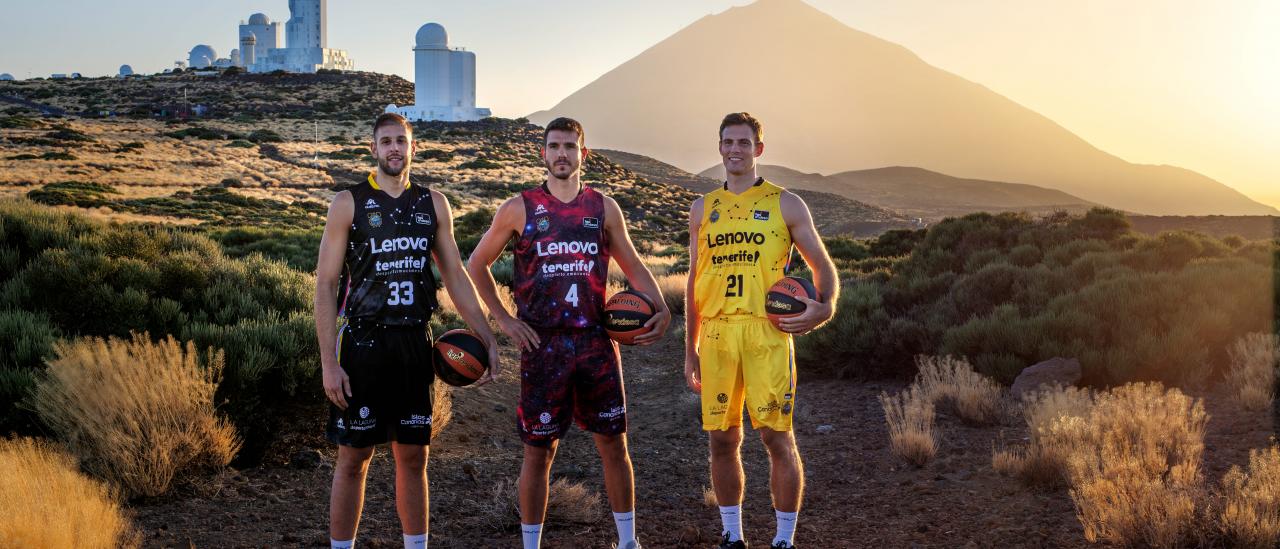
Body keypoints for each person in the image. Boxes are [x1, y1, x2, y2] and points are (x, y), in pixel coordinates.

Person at [467, 117, 671, 549]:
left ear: (584, 154)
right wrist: (504, 319)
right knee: (539, 452)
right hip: (542, 345)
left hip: (596, 343)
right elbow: (476, 264)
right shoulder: (519, 208)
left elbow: (633, 265)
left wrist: (662, 307)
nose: (562, 154)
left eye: (570, 147)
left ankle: (628, 542)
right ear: (543, 153)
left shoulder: (603, 207)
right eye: (554, 146)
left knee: (614, 445)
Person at [314, 112, 500, 549]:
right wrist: (328, 362)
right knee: (353, 458)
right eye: (386, 141)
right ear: (373, 149)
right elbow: (325, 285)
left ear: (413, 148)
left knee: (414, 456)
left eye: (402, 140)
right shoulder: (349, 202)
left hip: (415, 342)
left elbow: (455, 275)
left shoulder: (433, 203)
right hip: (362, 345)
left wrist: (487, 337)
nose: (394, 148)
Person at [684, 112, 840, 549]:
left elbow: (822, 264)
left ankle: (784, 540)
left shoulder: (785, 203)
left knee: (776, 436)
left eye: (744, 142)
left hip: (765, 334)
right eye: (729, 142)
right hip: (716, 333)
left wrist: (823, 308)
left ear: (759, 149)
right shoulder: (703, 208)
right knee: (721, 438)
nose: (736, 149)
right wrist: (689, 349)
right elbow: (695, 282)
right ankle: (732, 535)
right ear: (719, 147)